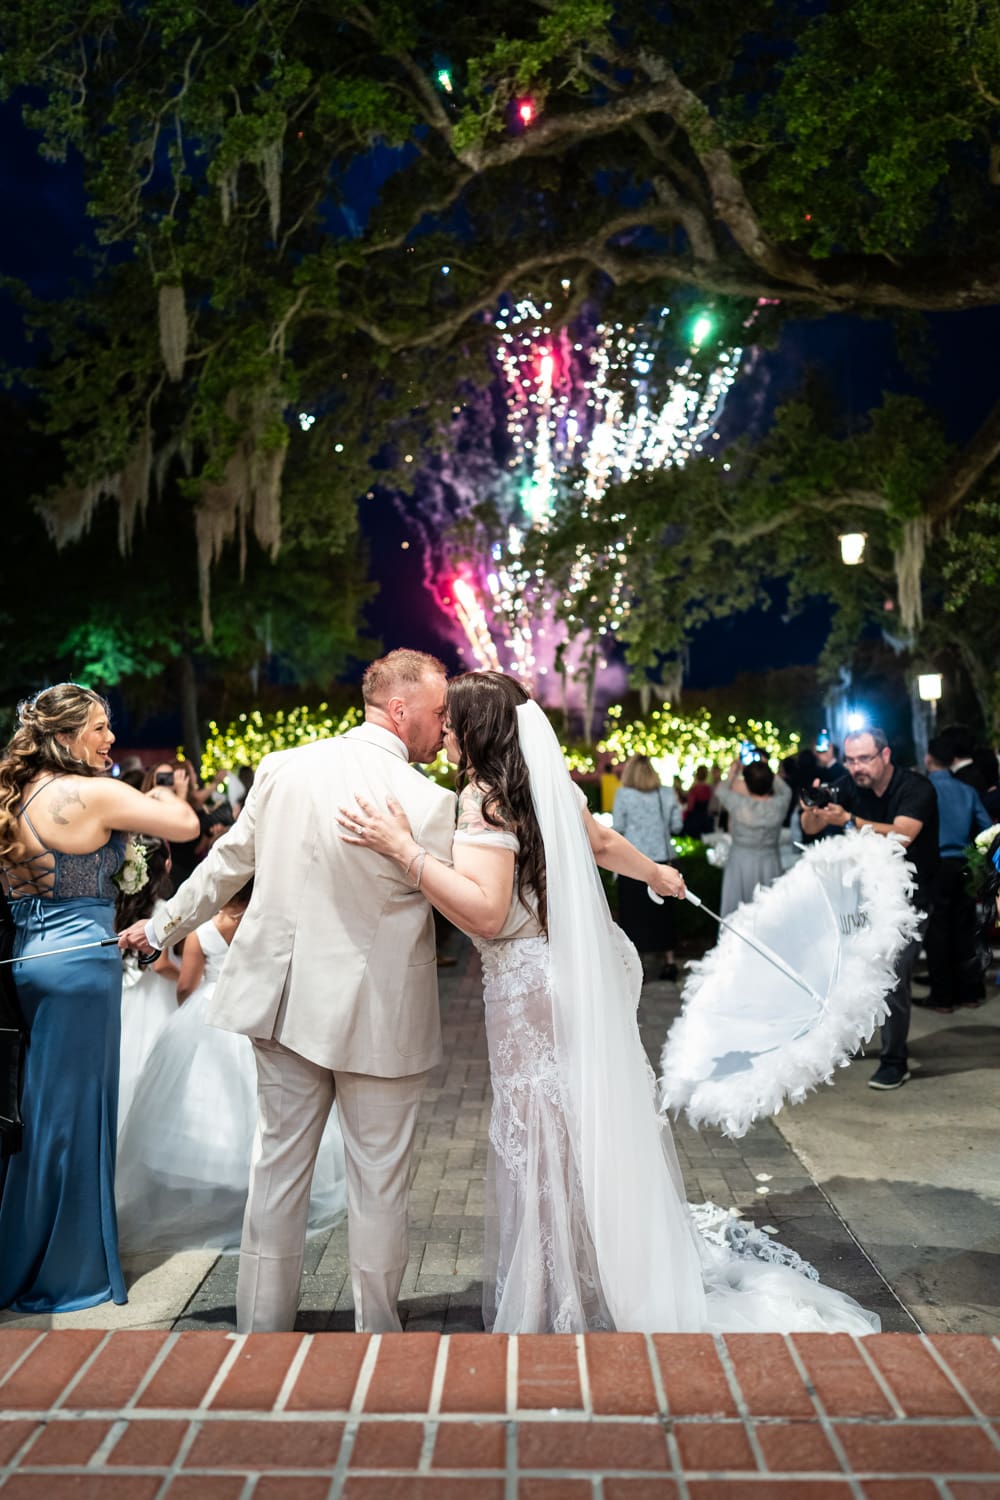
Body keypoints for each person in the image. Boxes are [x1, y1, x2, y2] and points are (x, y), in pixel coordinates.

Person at [340, 671, 878, 1337]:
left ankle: (556, 1290)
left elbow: (485, 911)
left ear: (476, 728)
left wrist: (402, 851)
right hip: (561, 975)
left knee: (544, 1134)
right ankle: (594, 1265)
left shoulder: (484, 800)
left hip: (526, 986)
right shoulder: (542, 784)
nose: (443, 730)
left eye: (451, 720)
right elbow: (596, 843)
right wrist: (654, 871)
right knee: (577, 1125)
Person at [119, 648, 457, 1334]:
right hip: (380, 1014)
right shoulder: (429, 802)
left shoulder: (284, 767)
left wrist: (161, 926)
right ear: (399, 709)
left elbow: (223, 867)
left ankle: (262, 1330)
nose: (444, 726)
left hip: (284, 1004)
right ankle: (378, 1337)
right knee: (379, 1182)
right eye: (438, 712)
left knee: (275, 1172)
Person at [0, 683, 199, 1313]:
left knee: (39, 1111)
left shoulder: (15, 797)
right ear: (63, 737)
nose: (109, 739)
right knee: (75, 1117)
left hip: (30, 964)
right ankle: (60, 1266)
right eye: (97, 728)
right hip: (83, 972)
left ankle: (26, 1244)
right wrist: (168, 785)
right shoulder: (89, 792)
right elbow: (186, 825)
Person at [115, 881, 347, 1252]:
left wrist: (189, 1013)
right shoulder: (262, 920)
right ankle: (260, 1190)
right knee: (263, 1103)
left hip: (210, 1010)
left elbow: (186, 985)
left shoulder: (203, 931)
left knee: (211, 1105)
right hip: (255, 1010)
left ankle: (223, 1190)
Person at [800, 726, 939, 1092]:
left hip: (912, 898)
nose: (856, 767)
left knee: (893, 974)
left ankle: (895, 1060)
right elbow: (809, 827)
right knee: (838, 971)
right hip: (861, 896)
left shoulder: (915, 788)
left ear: (886, 755)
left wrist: (848, 820)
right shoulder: (847, 785)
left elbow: (902, 835)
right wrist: (814, 810)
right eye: (850, 759)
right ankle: (835, 1045)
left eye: (864, 758)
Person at [115, 835, 181, 1133]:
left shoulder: (120, 903)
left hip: (124, 995)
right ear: (167, 865)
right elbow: (161, 964)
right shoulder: (162, 910)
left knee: (123, 1060)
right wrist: (191, 976)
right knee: (150, 1067)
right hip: (153, 998)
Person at [921, 737, 991, 1013]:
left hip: (935, 866)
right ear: (952, 761)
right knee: (965, 930)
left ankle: (943, 996)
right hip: (964, 865)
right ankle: (970, 992)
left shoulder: (923, 791)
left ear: (929, 759)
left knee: (937, 932)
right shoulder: (967, 791)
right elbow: (986, 827)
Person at [612, 754, 680, 981]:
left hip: (632, 861)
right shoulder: (667, 794)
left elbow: (618, 826)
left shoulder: (624, 795)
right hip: (662, 860)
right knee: (665, 914)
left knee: (634, 915)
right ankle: (670, 962)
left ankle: (638, 963)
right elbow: (677, 826)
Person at [714, 756, 792, 918]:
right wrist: (766, 769)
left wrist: (733, 771)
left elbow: (720, 790)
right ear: (771, 781)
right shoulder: (779, 804)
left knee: (736, 914)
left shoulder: (738, 804)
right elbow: (786, 790)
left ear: (747, 783)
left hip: (740, 862)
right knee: (769, 914)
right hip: (770, 862)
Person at [682, 765, 715, 837]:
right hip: (707, 821)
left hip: (695, 822)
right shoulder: (710, 789)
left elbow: (690, 807)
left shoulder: (694, 789)